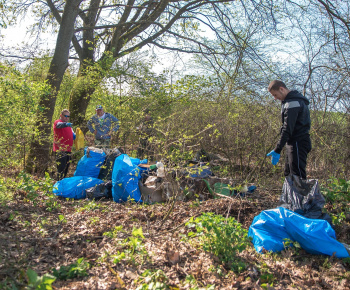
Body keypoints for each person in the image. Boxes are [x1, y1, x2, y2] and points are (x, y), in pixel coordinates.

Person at [267, 80, 312, 179]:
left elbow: (287, 128)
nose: (275, 98)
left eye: (275, 94)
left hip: (298, 142)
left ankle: (300, 195)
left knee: (297, 176)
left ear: (281, 89)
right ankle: (290, 195)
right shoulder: (289, 101)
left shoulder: (293, 103)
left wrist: (278, 149)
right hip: (293, 142)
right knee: (289, 174)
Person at [53, 109, 76, 180]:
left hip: (68, 149)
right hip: (60, 149)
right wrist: (65, 124)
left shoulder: (69, 125)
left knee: (66, 167)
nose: (67, 117)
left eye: (68, 116)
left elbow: (72, 135)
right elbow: (58, 125)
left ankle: (62, 183)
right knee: (61, 168)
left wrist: (75, 135)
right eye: (65, 116)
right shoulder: (58, 122)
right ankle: (58, 183)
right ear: (61, 115)